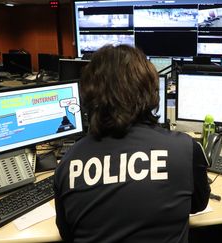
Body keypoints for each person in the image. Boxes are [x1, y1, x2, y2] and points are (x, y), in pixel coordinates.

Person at [54, 45, 210, 243]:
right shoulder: (186, 150)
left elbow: (67, 234)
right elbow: (197, 205)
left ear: (89, 96)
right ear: (151, 91)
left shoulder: (68, 163)